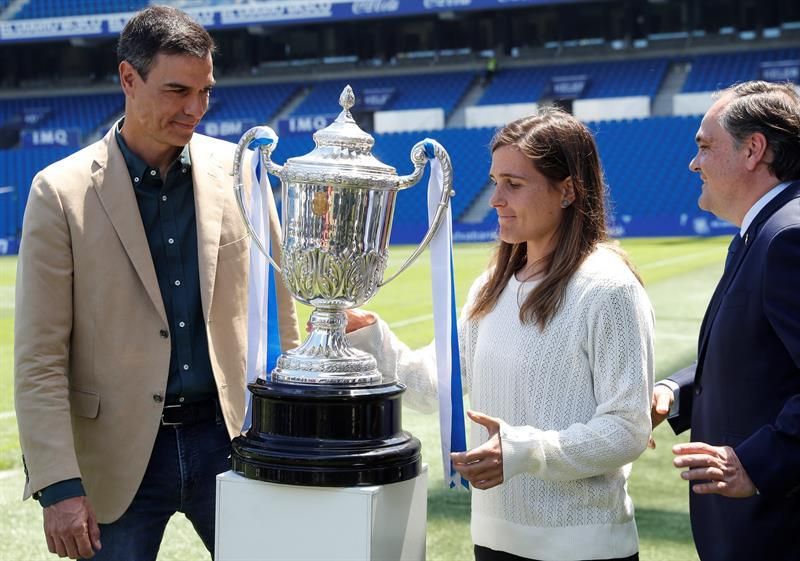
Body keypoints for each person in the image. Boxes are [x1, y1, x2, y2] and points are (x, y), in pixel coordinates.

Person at [13, 6, 300, 560]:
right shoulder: (58, 193)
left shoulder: (243, 172)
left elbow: (280, 316)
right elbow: (39, 357)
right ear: (128, 78)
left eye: (205, 91)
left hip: (233, 443)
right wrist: (58, 484)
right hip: (115, 459)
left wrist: (290, 436)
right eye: (177, 91)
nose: (195, 109)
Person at [346, 107, 655, 561]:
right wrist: (370, 338)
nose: (495, 199)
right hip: (493, 540)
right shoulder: (492, 286)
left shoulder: (608, 288)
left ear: (567, 190)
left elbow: (627, 429)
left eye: (514, 183)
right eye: (495, 181)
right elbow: (434, 387)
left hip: (581, 548)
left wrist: (526, 450)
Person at [650, 80, 800, 560]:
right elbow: (758, 355)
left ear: (753, 149)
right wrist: (674, 391)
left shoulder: (788, 236)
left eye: (705, 146)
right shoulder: (761, 232)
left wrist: (757, 463)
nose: (694, 164)